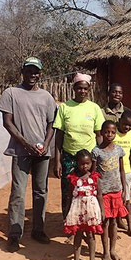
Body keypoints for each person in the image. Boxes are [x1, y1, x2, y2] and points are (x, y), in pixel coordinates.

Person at [0, 57, 57, 252]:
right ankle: (15, 234)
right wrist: (25, 143)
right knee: (18, 192)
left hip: (42, 152)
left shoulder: (47, 97)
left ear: (40, 73)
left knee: (41, 191)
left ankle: (38, 230)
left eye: (36, 72)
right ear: (22, 72)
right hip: (20, 151)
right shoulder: (11, 93)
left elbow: (51, 124)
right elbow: (8, 122)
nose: (33, 75)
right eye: (29, 71)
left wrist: (46, 144)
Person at [54, 73, 105, 222]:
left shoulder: (94, 108)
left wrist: (99, 158)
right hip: (69, 157)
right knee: (69, 191)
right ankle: (69, 224)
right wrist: (57, 161)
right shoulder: (64, 108)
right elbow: (59, 136)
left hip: (89, 158)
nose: (82, 91)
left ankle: (89, 221)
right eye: (79, 88)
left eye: (85, 88)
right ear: (74, 88)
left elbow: (99, 135)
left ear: (89, 89)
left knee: (89, 191)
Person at [92, 120, 128, 260]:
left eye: (113, 132)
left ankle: (113, 249)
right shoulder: (96, 151)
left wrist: (125, 188)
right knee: (105, 222)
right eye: (107, 132)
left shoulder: (119, 150)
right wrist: (95, 191)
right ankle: (105, 251)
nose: (110, 135)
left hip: (116, 190)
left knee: (114, 222)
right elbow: (94, 173)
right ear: (101, 132)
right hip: (103, 193)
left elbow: (121, 170)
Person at [64, 149, 104, 260]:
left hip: (91, 209)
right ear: (77, 163)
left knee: (91, 235)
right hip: (77, 209)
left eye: (87, 163)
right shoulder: (73, 178)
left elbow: (100, 195)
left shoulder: (95, 178)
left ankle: (92, 258)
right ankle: (76, 259)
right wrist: (67, 211)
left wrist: (102, 211)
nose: (85, 166)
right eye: (82, 163)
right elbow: (70, 196)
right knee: (78, 235)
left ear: (92, 163)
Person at [113, 110, 131, 238]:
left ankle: (130, 226)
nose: (127, 127)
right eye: (125, 124)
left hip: (127, 172)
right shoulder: (113, 134)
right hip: (113, 173)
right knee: (113, 200)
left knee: (126, 200)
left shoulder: (130, 135)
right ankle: (114, 228)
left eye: (130, 125)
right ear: (119, 121)